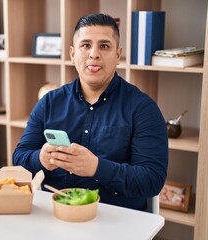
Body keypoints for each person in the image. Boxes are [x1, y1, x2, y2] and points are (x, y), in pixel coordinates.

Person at [13, 13, 168, 211]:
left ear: (118, 55)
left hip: (117, 219)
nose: (94, 54)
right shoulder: (49, 103)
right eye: (85, 45)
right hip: (55, 214)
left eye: (104, 46)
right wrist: (41, 159)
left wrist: (96, 167)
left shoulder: (143, 108)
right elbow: (19, 158)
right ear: (72, 54)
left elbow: (152, 180)